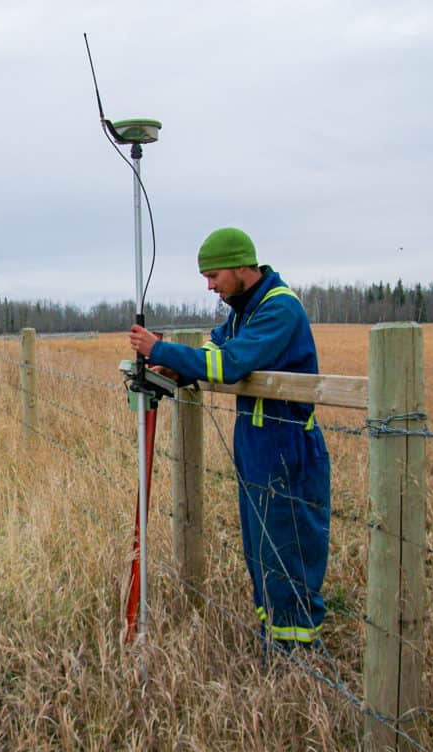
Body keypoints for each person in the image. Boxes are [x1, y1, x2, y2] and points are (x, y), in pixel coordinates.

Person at [128, 227, 331, 650]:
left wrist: (160, 351)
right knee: (260, 553)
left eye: (214, 276)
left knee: (286, 552)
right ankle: (273, 642)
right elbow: (213, 348)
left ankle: (294, 655)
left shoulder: (278, 310)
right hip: (256, 446)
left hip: (287, 449)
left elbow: (231, 363)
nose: (210, 286)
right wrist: (179, 369)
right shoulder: (243, 311)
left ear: (242, 266)